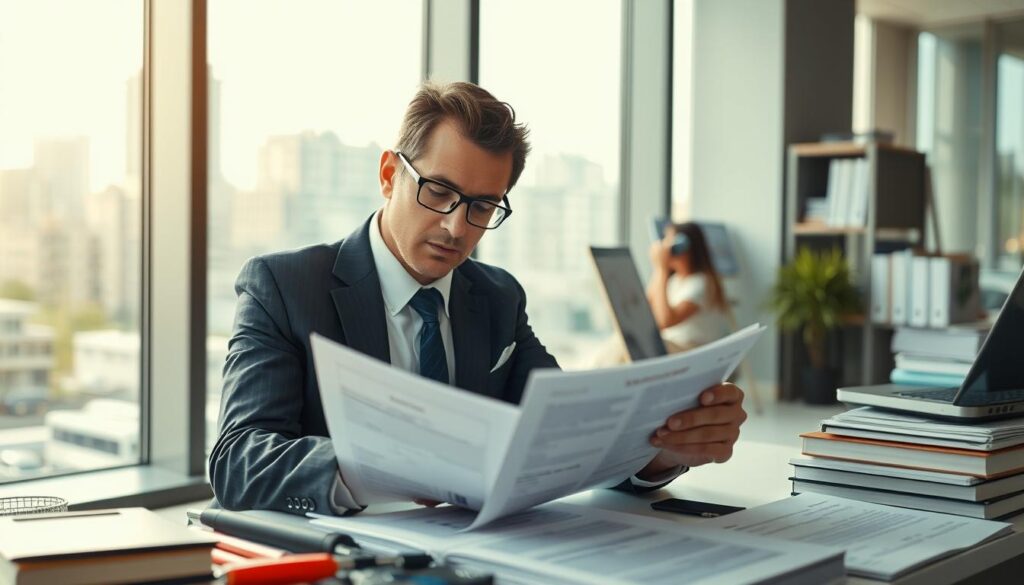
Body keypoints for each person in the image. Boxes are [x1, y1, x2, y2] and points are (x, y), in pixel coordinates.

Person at [209, 81, 748, 516]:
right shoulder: (283, 287)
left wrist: (659, 453)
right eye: (438, 191)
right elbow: (236, 461)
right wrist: (384, 465)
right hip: (346, 555)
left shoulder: (497, 296)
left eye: (483, 207)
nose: (455, 227)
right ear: (389, 174)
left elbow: (567, 437)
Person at [647, 222, 732, 353]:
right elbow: (646, 309)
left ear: (683, 247)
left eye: (670, 242)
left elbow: (664, 322)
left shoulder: (702, 283)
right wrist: (658, 269)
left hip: (690, 352)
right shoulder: (674, 280)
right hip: (673, 347)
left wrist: (661, 269)